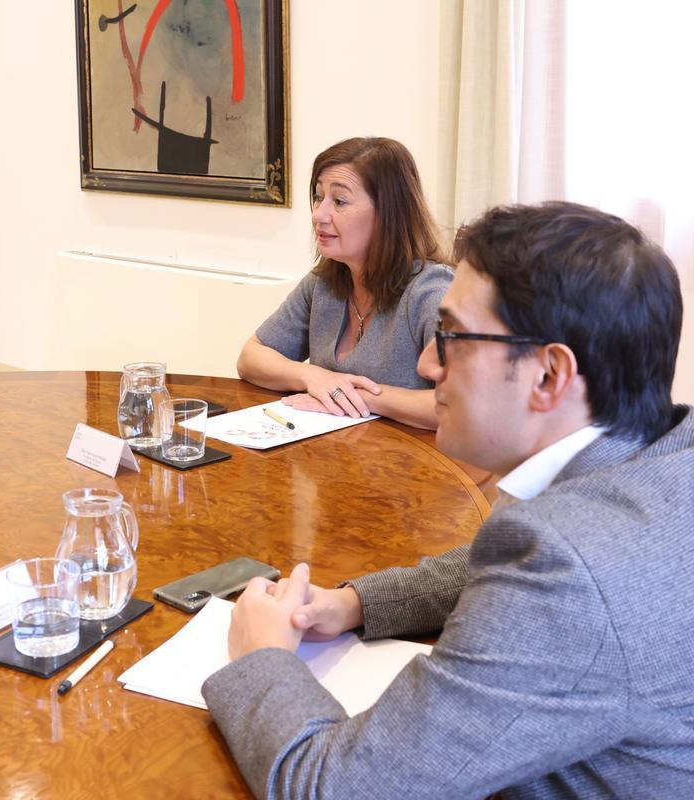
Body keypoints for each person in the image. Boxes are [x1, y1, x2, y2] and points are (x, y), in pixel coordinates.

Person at [204, 202, 693, 798]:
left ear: (548, 375)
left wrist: (259, 657)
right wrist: (354, 602)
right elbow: (508, 562)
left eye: (452, 337)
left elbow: (336, 788)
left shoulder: (573, 567)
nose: (426, 363)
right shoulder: (658, 456)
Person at [238, 137, 452, 429]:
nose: (318, 215)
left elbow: (455, 405)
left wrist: (359, 396)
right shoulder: (323, 281)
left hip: (410, 466)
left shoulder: (432, 290)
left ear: (388, 213)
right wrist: (314, 377)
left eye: (339, 201)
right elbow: (251, 358)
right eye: (318, 197)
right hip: (332, 460)